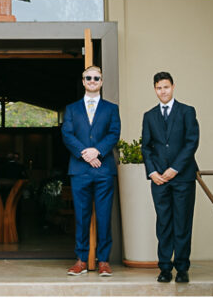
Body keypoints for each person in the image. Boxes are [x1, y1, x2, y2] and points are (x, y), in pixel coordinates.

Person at [61, 65, 120, 277]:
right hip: (79, 169)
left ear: (102, 81)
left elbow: (114, 133)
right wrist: (85, 153)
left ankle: (104, 261)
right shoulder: (71, 109)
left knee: (104, 216)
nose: (93, 80)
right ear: (83, 81)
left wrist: (98, 151)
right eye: (89, 77)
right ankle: (81, 260)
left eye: (97, 77)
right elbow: (67, 134)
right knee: (81, 216)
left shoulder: (111, 108)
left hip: (103, 169)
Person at [141, 72, 199, 284]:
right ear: (154, 89)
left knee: (182, 223)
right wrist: (153, 172)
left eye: (166, 87)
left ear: (173, 87)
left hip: (182, 177)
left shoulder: (187, 111)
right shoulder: (149, 115)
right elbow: (146, 147)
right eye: (158, 88)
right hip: (159, 180)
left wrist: (175, 168)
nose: (162, 91)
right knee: (164, 223)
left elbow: (191, 142)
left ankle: (182, 268)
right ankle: (165, 267)